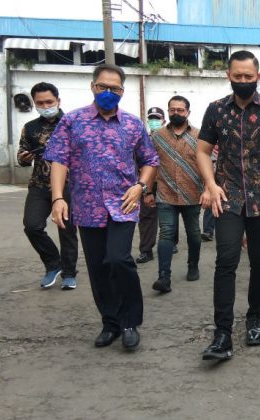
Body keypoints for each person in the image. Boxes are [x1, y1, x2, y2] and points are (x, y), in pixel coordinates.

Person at [45, 64, 159, 351]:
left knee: (119, 259)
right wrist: (58, 198)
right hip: (87, 205)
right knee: (98, 266)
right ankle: (111, 322)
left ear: (122, 91)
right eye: (103, 87)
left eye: (115, 88)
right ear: (93, 86)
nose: (108, 92)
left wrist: (141, 186)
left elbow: (150, 160)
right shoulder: (72, 121)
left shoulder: (132, 124)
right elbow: (59, 160)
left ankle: (130, 322)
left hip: (124, 203)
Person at [196, 50, 260, 361]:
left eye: (248, 77)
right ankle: (222, 333)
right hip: (227, 198)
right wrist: (211, 185)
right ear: (228, 75)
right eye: (237, 76)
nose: (243, 81)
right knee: (225, 261)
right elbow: (202, 151)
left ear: (258, 77)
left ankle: (254, 318)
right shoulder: (215, 110)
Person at [17, 82, 79, 290]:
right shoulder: (30, 128)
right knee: (32, 226)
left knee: (66, 230)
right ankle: (53, 263)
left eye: (49, 102)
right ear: (34, 103)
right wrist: (24, 158)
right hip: (39, 184)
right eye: (40, 103)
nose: (45, 106)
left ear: (58, 101)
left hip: (69, 185)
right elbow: (21, 155)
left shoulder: (72, 124)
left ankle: (69, 273)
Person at [149, 95, 205, 293]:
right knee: (166, 233)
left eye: (180, 110)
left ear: (188, 112)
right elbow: (150, 165)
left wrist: (209, 189)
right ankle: (164, 277)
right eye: (172, 110)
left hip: (192, 194)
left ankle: (193, 265)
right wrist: (148, 191)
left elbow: (208, 164)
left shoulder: (199, 136)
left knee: (194, 234)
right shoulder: (157, 136)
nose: (176, 113)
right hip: (166, 194)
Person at [136, 106, 165, 264]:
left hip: (166, 182)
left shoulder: (168, 139)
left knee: (169, 214)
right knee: (146, 216)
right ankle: (146, 250)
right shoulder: (142, 139)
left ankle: (170, 242)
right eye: (151, 119)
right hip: (148, 182)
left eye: (157, 119)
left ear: (163, 120)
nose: (154, 121)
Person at [201, 145, 219, 242]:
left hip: (231, 180)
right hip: (213, 179)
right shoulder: (210, 146)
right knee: (211, 203)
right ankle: (208, 231)